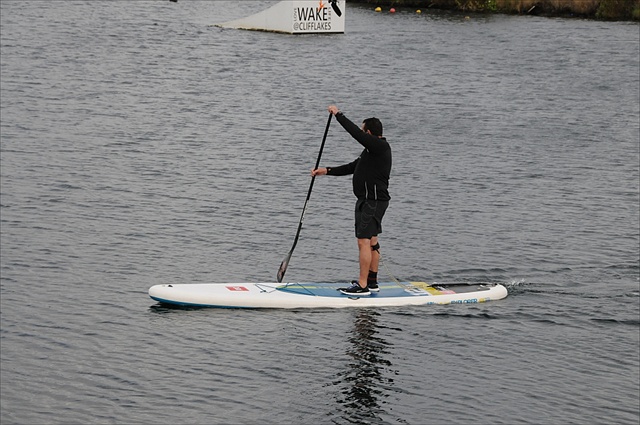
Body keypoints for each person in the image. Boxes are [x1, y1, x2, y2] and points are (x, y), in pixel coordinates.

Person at [312, 105, 392, 296]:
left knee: (363, 241)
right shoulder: (371, 151)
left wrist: (338, 115)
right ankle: (372, 282)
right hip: (371, 201)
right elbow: (352, 167)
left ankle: (362, 286)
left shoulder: (379, 146)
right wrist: (327, 171)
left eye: (364, 131)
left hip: (372, 202)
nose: (362, 134)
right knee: (372, 241)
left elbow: (355, 133)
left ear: (369, 133)